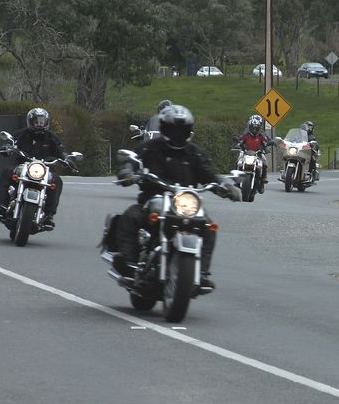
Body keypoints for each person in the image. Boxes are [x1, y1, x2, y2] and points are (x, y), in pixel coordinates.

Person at [115, 104, 240, 288]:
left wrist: (226, 185)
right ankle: (129, 262)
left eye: (182, 130)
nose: (177, 134)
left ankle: (201, 273)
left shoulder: (194, 152)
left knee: (208, 227)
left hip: (185, 201)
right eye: (173, 129)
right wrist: (128, 171)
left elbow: (209, 173)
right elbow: (133, 160)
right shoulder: (150, 148)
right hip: (155, 197)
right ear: (164, 128)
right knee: (131, 216)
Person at [0, 107, 69, 229]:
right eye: (36, 121)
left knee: (57, 181)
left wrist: (67, 160)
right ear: (30, 122)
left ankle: (48, 215)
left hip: (44, 170)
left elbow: (61, 151)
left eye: (42, 121)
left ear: (46, 122)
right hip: (22, 166)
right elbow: (12, 142)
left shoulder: (51, 138)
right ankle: (1, 206)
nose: (39, 124)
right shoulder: (22, 134)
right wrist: (7, 148)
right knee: (6, 172)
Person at [237, 114, 271, 190]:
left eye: (256, 127)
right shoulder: (246, 133)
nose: (254, 129)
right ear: (250, 126)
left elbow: (266, 141)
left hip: (258, 153)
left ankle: (263, 179)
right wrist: (238, 144)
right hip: (246, 152)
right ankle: (237, 179)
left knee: (265, 163)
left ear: (259, 127)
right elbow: (241, 139)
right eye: (253, 127)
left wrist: (267, 145)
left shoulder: (261, 134)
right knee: (238, 162)